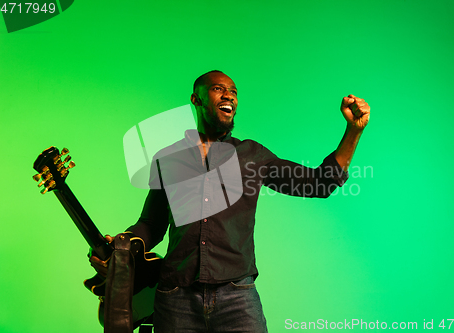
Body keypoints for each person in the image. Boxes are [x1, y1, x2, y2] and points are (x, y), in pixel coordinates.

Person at [91, 70, 370, 332]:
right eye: (218, 89)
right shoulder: (168, 159)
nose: (229, 96)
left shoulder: (252, 155)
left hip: (237, 299)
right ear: (196, 98)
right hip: (175, 299)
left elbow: (318, 184)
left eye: (234, 92)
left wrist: (354, 130)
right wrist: (120, 247)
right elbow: (151, 224)